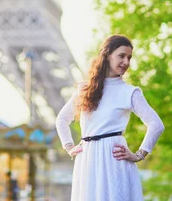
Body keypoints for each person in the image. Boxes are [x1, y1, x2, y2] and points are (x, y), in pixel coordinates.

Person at [55, 35, 165, 201]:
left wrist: (139, 154)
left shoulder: (130, 92)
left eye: (129, 57)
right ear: (107, 55)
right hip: (88, 159)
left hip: (114, 158)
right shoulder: (85, 90)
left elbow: (156, 125)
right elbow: (62, 119)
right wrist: (69, 146)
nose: (126, 62)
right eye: (121, 56)